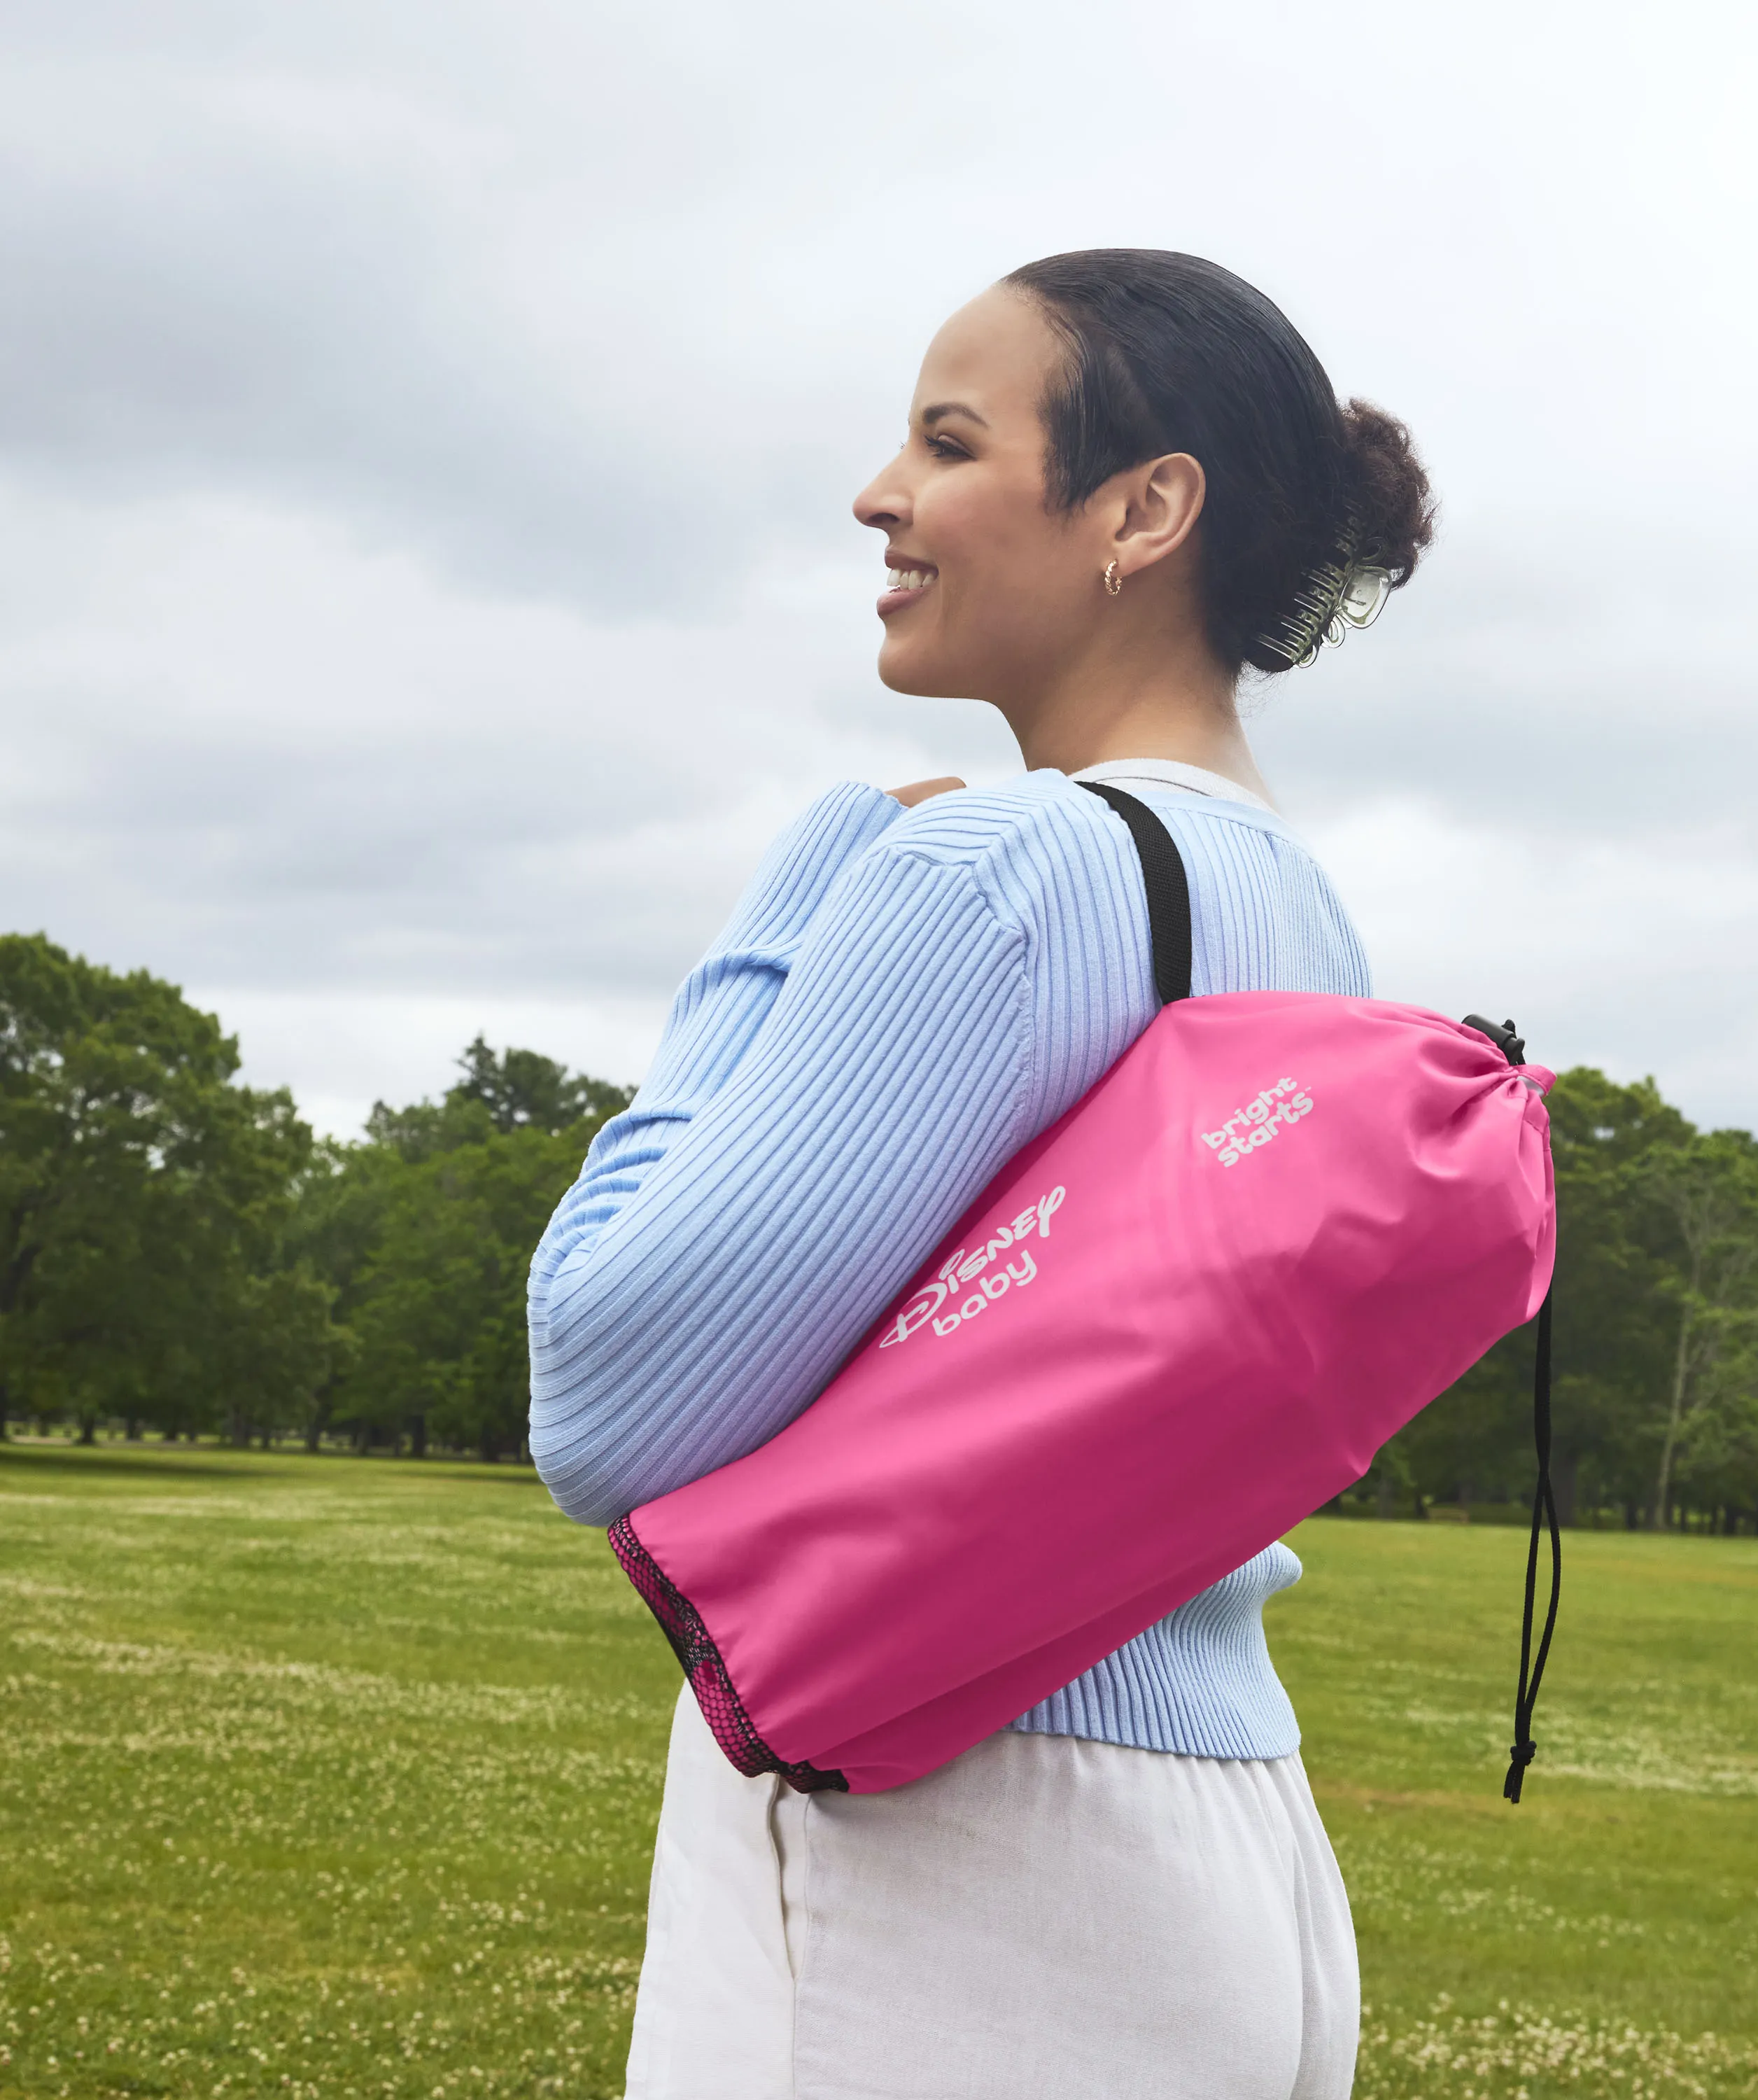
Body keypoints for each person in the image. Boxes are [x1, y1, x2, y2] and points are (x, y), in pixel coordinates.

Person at [527, 248, 1435, 2100]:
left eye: (948, 443)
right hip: (1229, 1835)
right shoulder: (1306, 914)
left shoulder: (986, 874)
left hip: (946, 1861)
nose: (881, 495)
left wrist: (798, 897)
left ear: (1143, 511)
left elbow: (607, 1391)